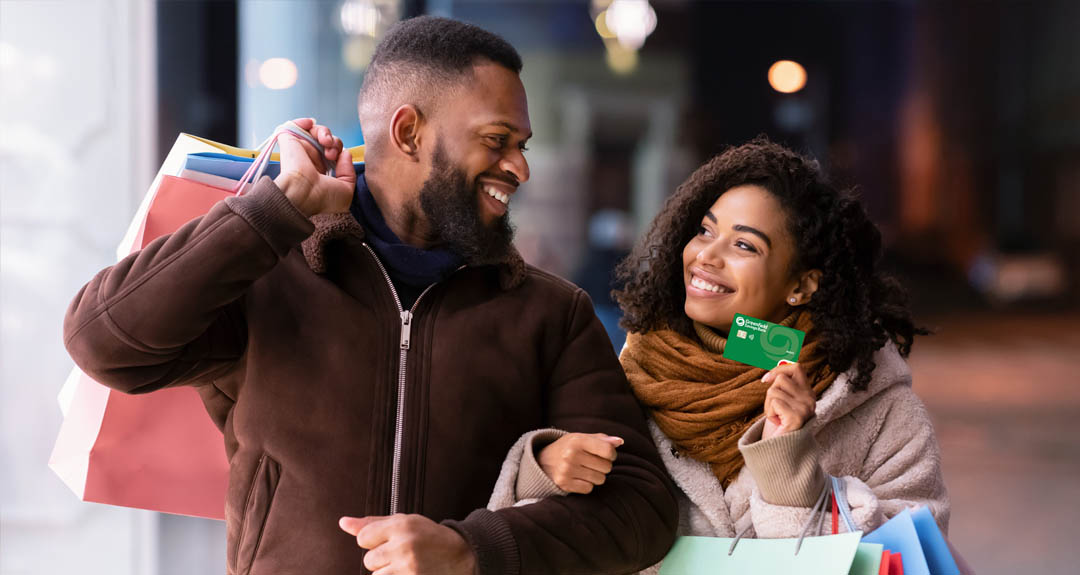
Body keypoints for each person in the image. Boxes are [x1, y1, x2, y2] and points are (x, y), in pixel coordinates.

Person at [63, 16, 677, 575]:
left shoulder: (549, 312)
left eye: (523, 145)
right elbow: (104, 344)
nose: (519, 167)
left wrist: (474, 549)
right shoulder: (269, 276)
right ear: (408, 131)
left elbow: (643, 510)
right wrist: (275, 213)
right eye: (497, 140)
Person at [489, 138, 949, 572]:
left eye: (744, 245)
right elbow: (563, 538)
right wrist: (543, 469)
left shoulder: (883, 411)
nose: (706, 255)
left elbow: (907, 557)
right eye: (705, 230)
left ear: (801, 285)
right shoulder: (628, 373)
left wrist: (792, 470)